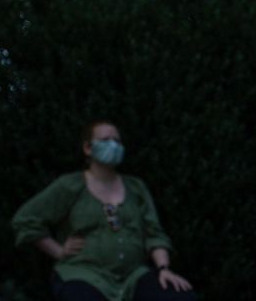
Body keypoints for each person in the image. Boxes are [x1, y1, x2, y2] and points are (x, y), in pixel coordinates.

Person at [12, 120, 196, 301]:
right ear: (88, 148)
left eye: (117, 141)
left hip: (133, 276)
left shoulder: (136, 187)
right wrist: (58, 251)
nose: (113, 145)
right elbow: (27, 219)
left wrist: (163, 269)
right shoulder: (70, 186)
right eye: (106, 140)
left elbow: (154, 232)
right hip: (83, 274)